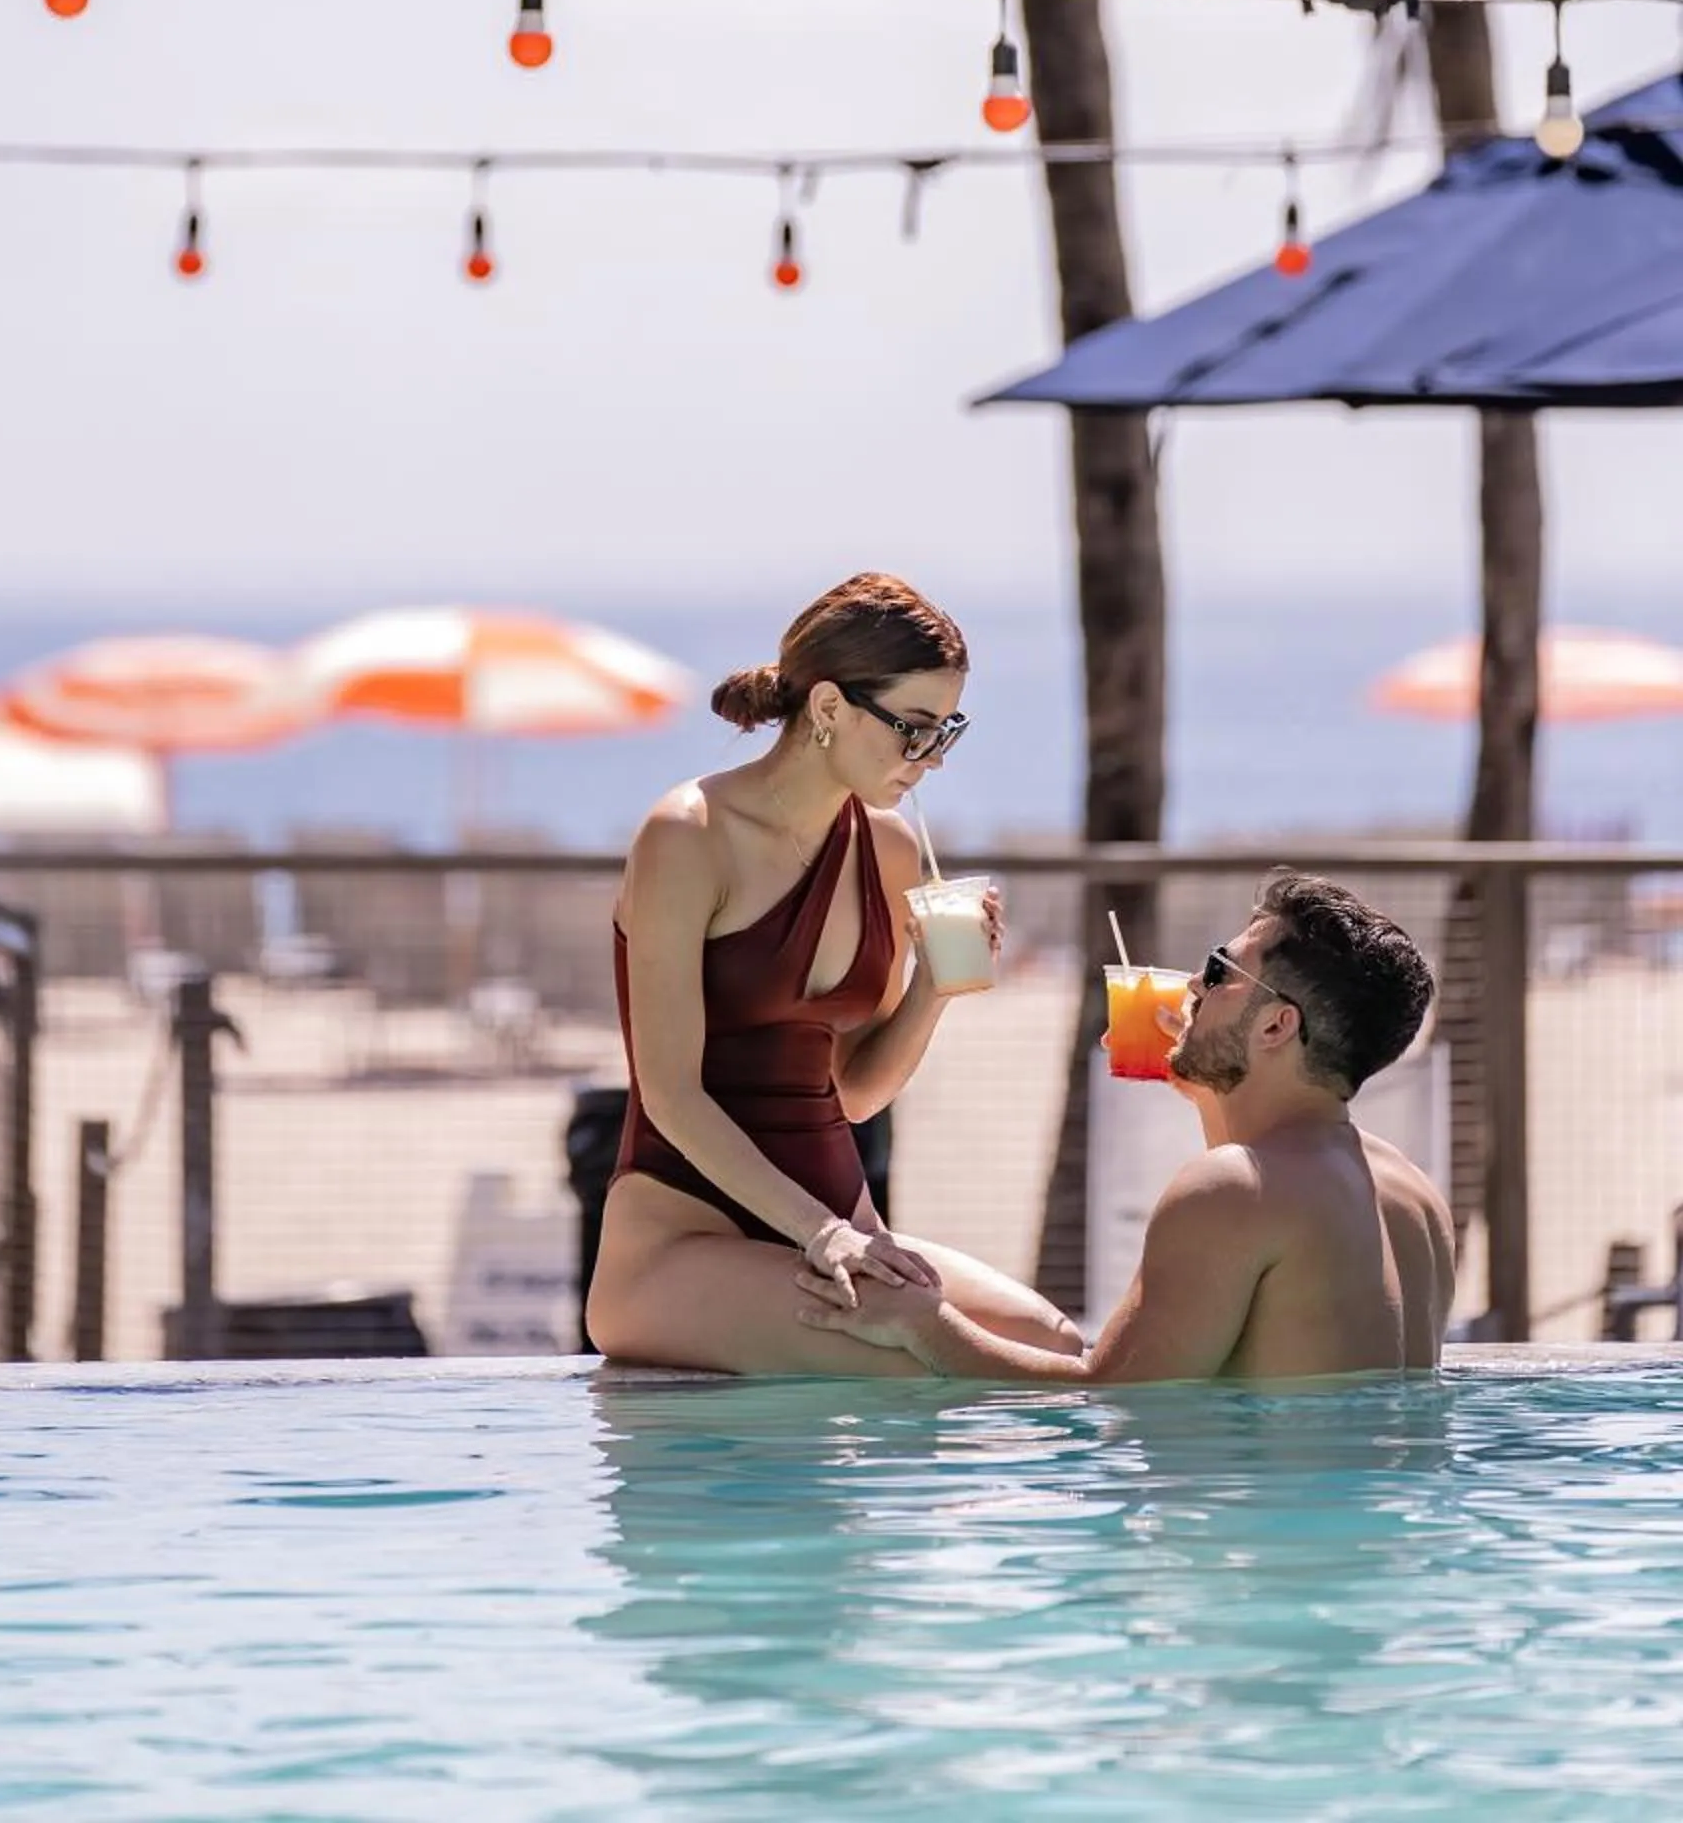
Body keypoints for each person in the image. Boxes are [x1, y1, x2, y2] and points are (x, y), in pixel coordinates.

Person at [586, 571, 1082, 1376]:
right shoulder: (687, 836)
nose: (931, 760)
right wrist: (824, 1233)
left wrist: (934, 988)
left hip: (839, 1235)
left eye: (945, 731)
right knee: (920, 1366)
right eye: (911, 729)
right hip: (682, 1247)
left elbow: (852, 1091)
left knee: (1050, 1344)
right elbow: (671, 1094)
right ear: (826, 709)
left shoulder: (889, 850)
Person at [798, 870, 1456, 1382]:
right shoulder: (1412, 1195)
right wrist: (1208, 1090)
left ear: (1277, 1024)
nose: (1194, 982)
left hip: (1269, 1547)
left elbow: (1108, 1398)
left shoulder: (1228, 1191)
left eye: (1221, 970)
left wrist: (924, 1323)